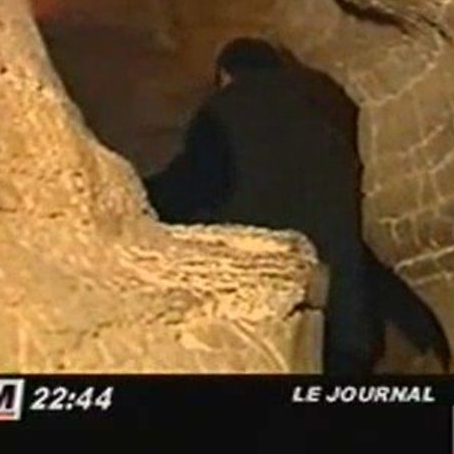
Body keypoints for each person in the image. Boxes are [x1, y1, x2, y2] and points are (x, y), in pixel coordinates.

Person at [143, 37, 380, 376]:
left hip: (272, 304)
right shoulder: (322, 112)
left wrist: (134, 198)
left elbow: (195, 184)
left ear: (224, 74)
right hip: (344, 313)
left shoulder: (224, 112)